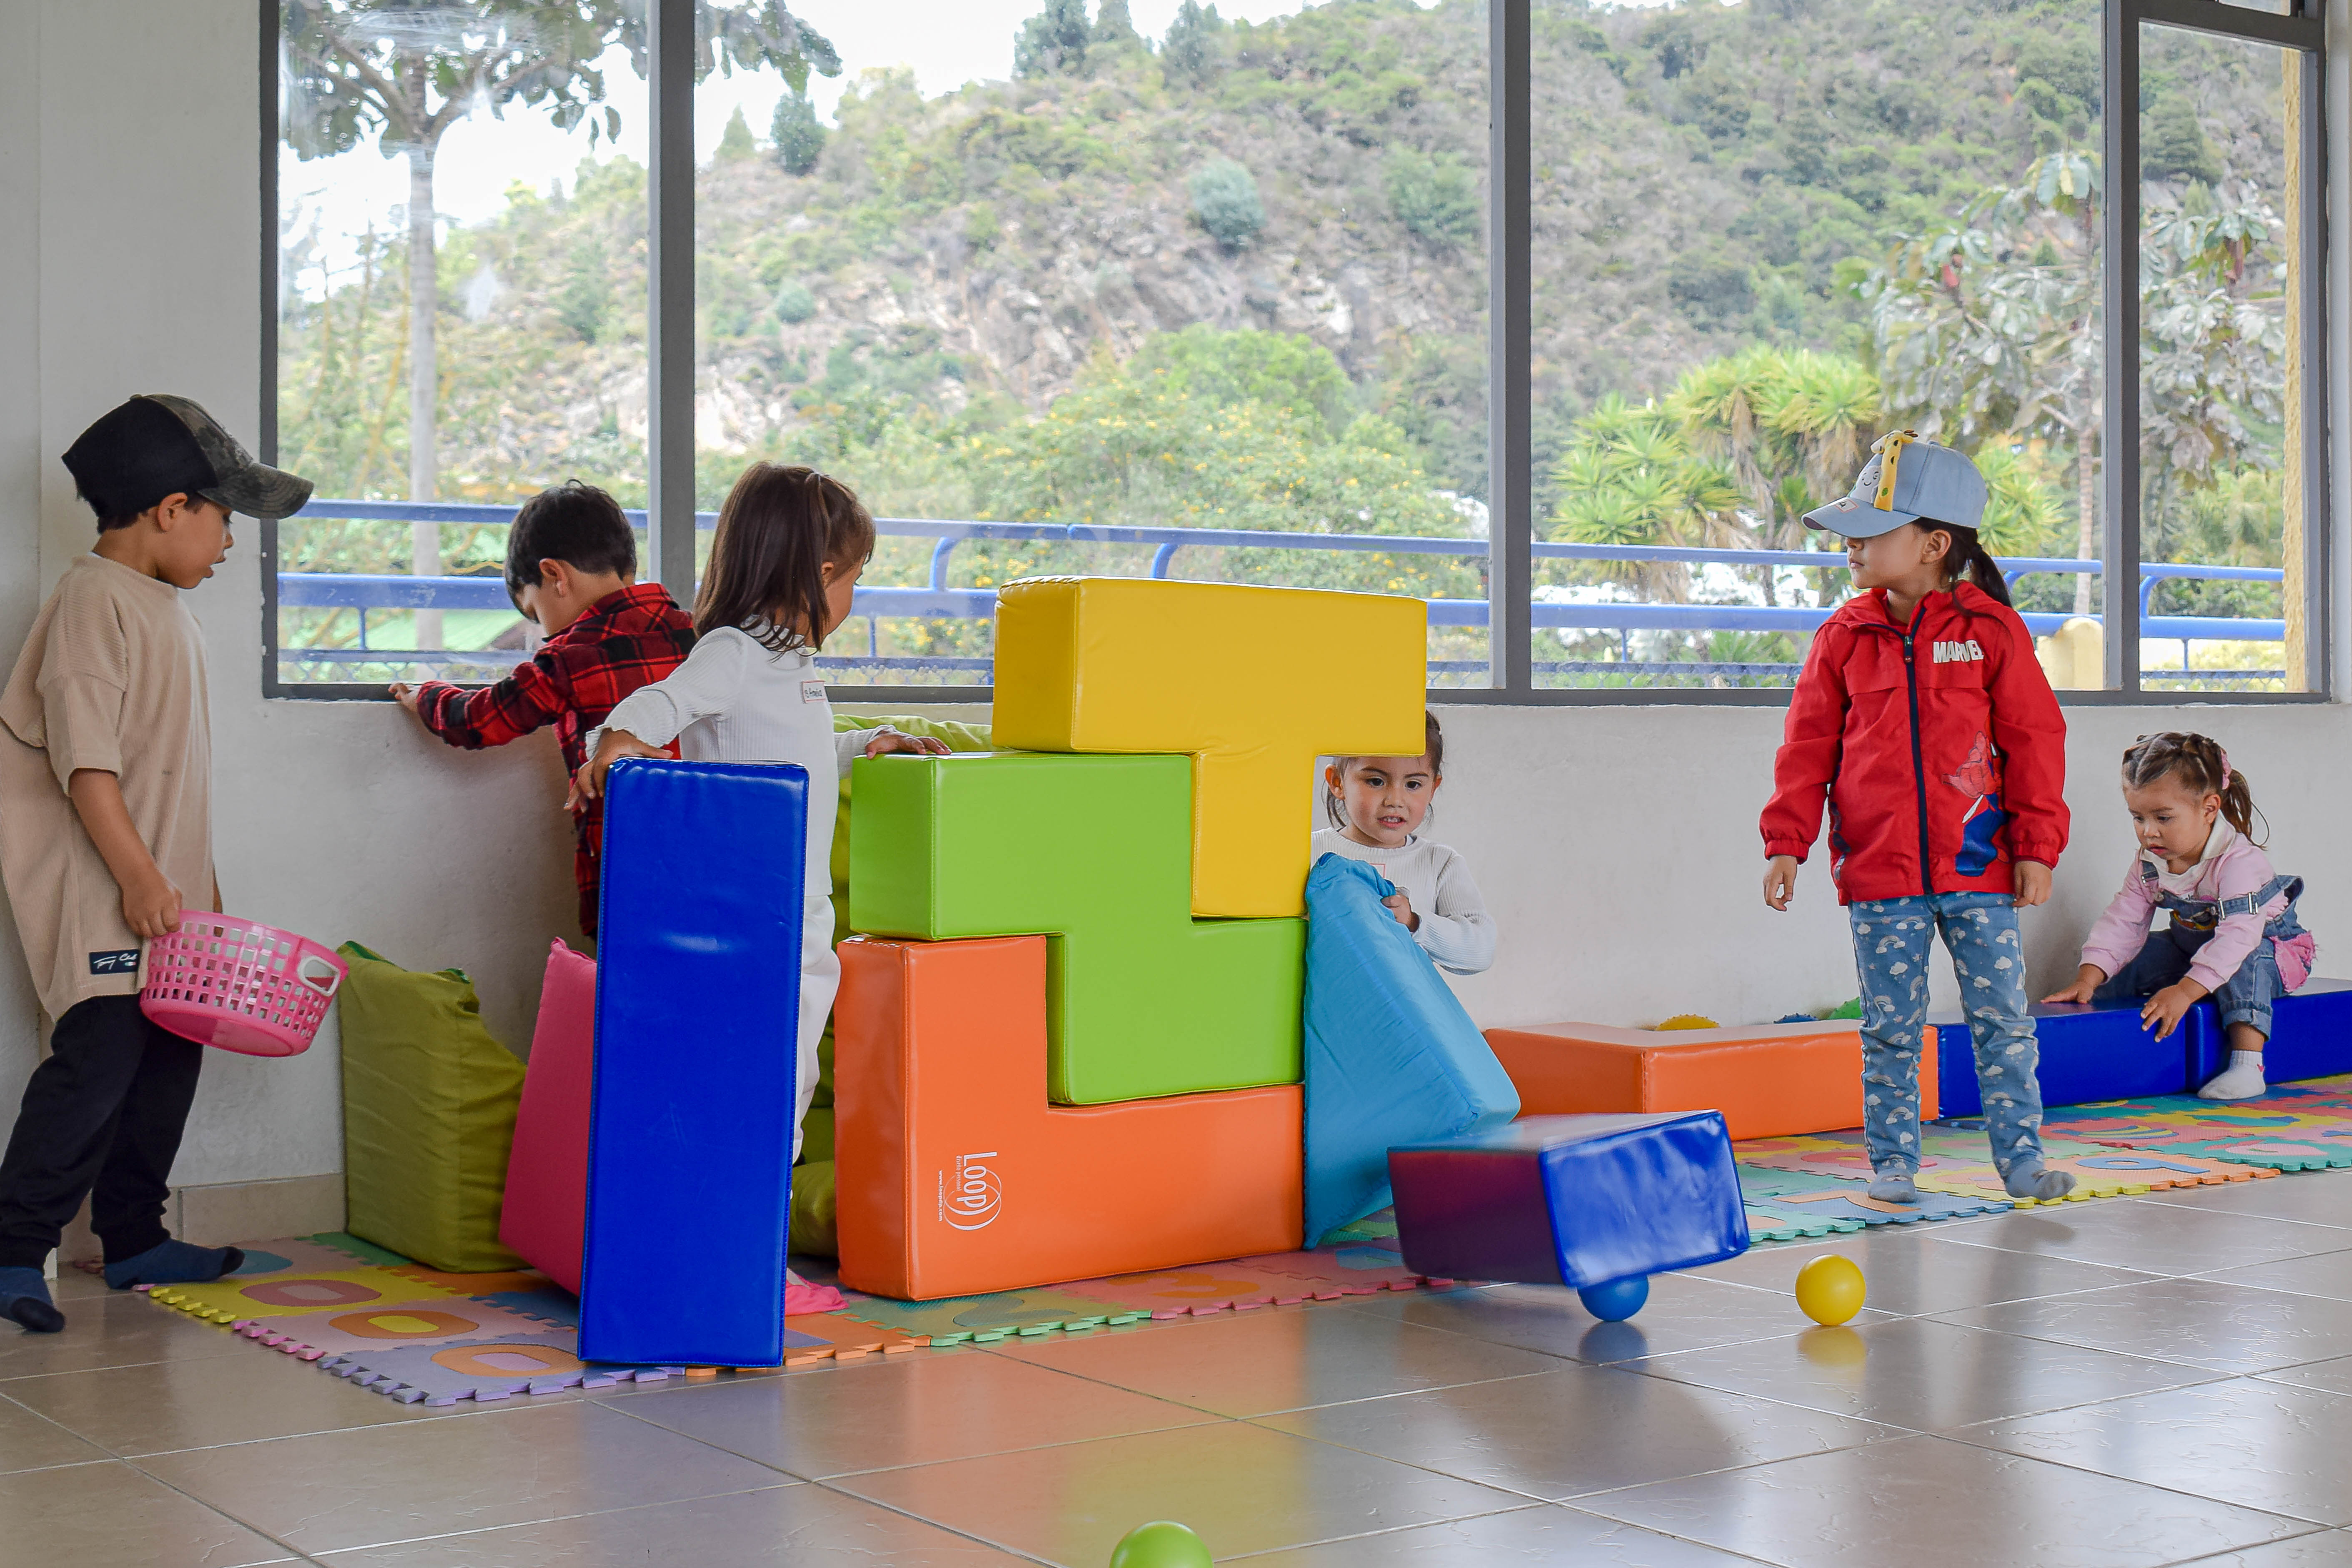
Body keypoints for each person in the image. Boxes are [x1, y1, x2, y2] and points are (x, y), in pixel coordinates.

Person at [0, 395, 313, 1333]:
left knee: (170, 1056)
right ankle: (16, 1245)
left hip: (161, 900)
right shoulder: (94, 603)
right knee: (95, 1066)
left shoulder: (165, 608)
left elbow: (169, 771)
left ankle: (134, 1234)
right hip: (104, 894)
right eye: (224, 518)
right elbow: (87, 766)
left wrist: (199, 890)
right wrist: (139, 876)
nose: (229, 542)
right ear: (172, 508)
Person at [574, 463, 946, 1202]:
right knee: (768, 1081)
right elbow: (665, 701)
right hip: (758, 920)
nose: (850, 598)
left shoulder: (789, 663)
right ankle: (747, 1245)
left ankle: (742, 1234)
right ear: (823, 571)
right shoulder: (737, 652)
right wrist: (615, 739)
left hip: (799, 922)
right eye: (854, 580)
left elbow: (793, 755)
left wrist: (863, 741)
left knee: (789, 1075)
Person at [1759, 432, 2078, 1204]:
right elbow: (1806, 748)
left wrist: (2036, 847)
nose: (1851, 547)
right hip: (1880, 872)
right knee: (1890, 1029)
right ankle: (1892, 1164)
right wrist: (1786, 843)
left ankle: (2022, 1161)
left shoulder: (1991, 633)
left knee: (2001, 1018)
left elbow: (2035, 741)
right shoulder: (1842, 637)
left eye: (1871, 533)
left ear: (1934, 543)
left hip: (1981, 869)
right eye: (1850, 533)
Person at [391, 482, 694, 938]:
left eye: (534, 612)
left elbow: (479, 719)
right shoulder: (691, 634)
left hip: (630, 873)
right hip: (711, 858)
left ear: (555, 575)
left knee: (633, 998)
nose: (539, 631)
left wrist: (426, 695)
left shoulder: (570, 657)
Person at [2046, 733, 2310, 1102]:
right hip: (2193, 947)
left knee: (2245, 962)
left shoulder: (2239, 862)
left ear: (2209, 808)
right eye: (2138, 817)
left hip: (2268, 950)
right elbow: (2125, 919)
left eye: (2163, 817)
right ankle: (2088, 1044)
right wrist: (2089, 975)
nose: (2148, 831)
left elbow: (2238, 937)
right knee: (2134, 956)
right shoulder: (2150, 862)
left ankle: (2249, 1064)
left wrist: (2185, 992)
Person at [1311, 712, 1494, 976]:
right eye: (1376, 781)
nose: (1395, 800)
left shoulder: (1440, 863)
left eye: (1413, 784)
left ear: (1433, 788)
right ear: (1337, 783)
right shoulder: (1308, 852)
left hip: (1402, 1014)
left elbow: (1481, 951)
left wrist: (1414, 922)